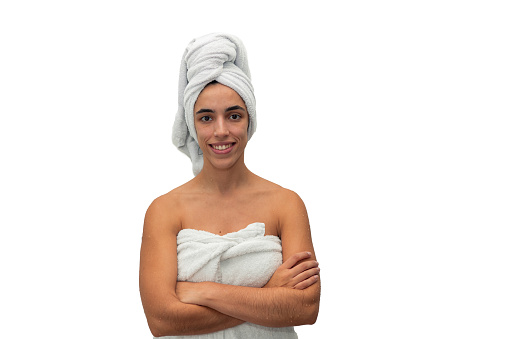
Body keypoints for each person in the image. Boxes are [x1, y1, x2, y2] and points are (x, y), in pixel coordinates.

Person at [139, 33, 320, 338]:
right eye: (206, 118)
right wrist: (268, 293)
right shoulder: (165, 210)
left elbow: (305, 308)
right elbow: (161, 320)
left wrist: (203, 292)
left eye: (233, 115)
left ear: (249, 121)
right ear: (193, 126)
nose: (221, 131)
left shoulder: (286, 204)